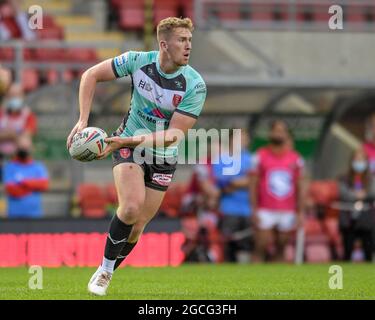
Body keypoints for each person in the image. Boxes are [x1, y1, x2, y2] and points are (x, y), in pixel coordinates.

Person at [66, 17, 207, 296]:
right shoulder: (138, 61)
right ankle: (105, 272)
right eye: (182, 40)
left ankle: (106, 267)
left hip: (162, 153)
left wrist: (126, 140)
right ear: (164, 44)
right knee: (130, 207)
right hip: (129, 146)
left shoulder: (194, 85)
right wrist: (83, 120)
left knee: (137, 226)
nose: (188, 46)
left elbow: (173, 135)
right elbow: (90, 75)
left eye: (190, 40)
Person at [250, 120, 306, 262]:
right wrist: (254, 209)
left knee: (282, 246)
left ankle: (277, 281)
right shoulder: (260, 155)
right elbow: (252, 185)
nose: (278, 134)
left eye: (282, 131)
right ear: (270, 133)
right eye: (276, 130)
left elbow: (301, 186)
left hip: (287, 208)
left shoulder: (296, 158)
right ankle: (250, 281)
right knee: (261, 245)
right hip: (265, 208)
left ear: (286, 135)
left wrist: (300, 211)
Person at [213, 129, 253, 263]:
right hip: (228, 209)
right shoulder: (222, 159)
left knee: (247, 245)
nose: (241, 141)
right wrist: (245, 181)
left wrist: (236, 182)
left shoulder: (252, 159)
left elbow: (256, 181)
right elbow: (222, 182)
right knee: (228, 245)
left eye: (244, 138)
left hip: (250, 209)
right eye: (237, 138)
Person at [337, 148, 375, 262]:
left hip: (366, 218)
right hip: (348, 217)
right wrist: (356, 195)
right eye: (356, 159)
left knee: (368, 249)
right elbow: (343, 193)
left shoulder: (371, 179)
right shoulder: (344, 178)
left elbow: (373, 192)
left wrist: (364, 195)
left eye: (361, 159)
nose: (359, 162)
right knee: (347, 249)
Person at [3, 134, 49, 218]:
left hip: (35, 215)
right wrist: (33, 187)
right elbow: (11, 189)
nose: (24, 150)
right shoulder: (9, 167)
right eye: (21, 147)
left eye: (26, 147)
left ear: (31, 148)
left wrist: (23, 182)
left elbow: (44, 185)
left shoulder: (38, 167)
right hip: (14, 216)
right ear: (16, 148)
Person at [0, 82, 38, 181]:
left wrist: (7, 135)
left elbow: (25, 138)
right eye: (12, 95)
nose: (14, 98)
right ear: (7, 96)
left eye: (17, 95)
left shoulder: (28, 116)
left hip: (18, 161)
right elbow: (20, 136)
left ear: (23, 96)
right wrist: (15, 135)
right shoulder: (1, 113)